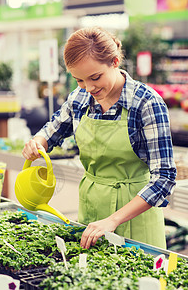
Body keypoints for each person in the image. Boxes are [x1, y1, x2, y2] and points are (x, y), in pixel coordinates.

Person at [22, 27, 176, 250]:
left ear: (114, 62)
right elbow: (51, 131)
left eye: (95, 77)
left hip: (135, 218)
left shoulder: (146, 103)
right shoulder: (79, 98)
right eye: (80, 80)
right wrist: (37, 142)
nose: (89, 87)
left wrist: (113, 220)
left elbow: (164, 178)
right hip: (91, 214)